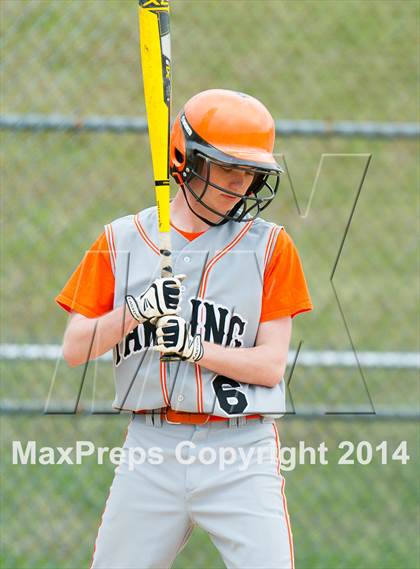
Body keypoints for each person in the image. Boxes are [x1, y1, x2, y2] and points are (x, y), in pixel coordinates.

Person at [56, 89, 313, 569]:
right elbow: (74, 348)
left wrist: (197, 348)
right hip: (152, 448)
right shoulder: (122, 239)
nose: (241, 185)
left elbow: (270, 365)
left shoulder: (272, 247)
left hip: (242, 450)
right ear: (186, 161)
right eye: (228, 168)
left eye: (251, 174)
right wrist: (136, 309)